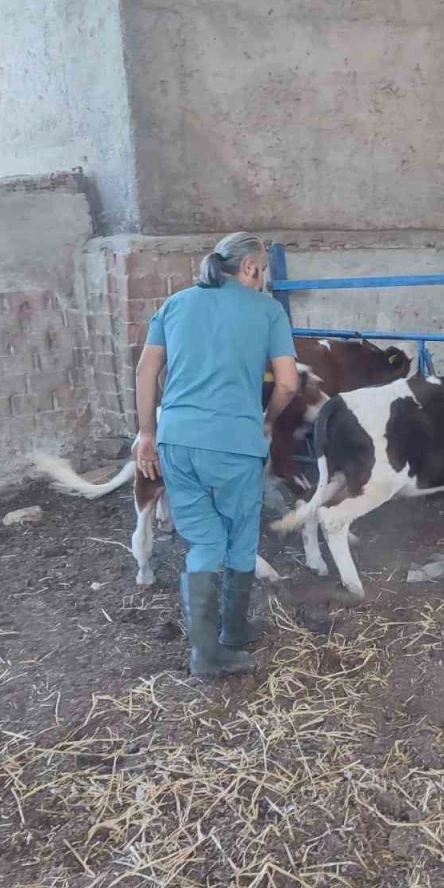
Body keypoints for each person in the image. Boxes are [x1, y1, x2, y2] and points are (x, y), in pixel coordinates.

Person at [133, 233, 299, 677]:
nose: (262, 280)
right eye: (262, 271)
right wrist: (267, 419)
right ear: (250, 267)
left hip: (176, 440)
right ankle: (227, 637)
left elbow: (146, 369)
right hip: (234, 441)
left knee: (205, 541)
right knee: (240, 537)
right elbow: (287, 383)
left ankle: (209, 649)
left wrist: (147, 432)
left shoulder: (175, 304)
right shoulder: (267, 311)